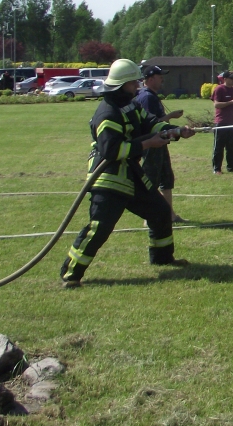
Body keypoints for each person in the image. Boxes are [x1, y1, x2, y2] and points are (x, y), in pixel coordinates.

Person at [60, 59, 195, 288]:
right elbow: (111, 151)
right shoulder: (108, 114)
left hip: (130, 172)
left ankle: (162, 258)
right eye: (133, 83)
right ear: (121, 85)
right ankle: (71, 274)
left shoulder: (130, 105)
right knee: (100, 228)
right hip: (109, 177)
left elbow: (150, 124)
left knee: (160, 211)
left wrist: (176, 131)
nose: (137, 86)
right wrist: (147, 144)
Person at [135, 66, 185, 223]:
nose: (162, 79)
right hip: (152, 144)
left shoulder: (152, 96)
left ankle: (169, 216)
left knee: (166, 179)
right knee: (151, 181)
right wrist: (171, 116)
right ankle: (149, 218)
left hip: (161, 142)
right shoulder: (147, 97)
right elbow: (151, 124)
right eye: (159, 76)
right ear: (150, 79)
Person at [211, 71, 233, 175]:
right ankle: (217, 169)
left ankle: (231, 167)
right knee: (219, 147)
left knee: (232, 146)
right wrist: (230, 102)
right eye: (231, 78)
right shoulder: (219, 89)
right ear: (225, 79)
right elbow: (216, 105)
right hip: (221, 122)